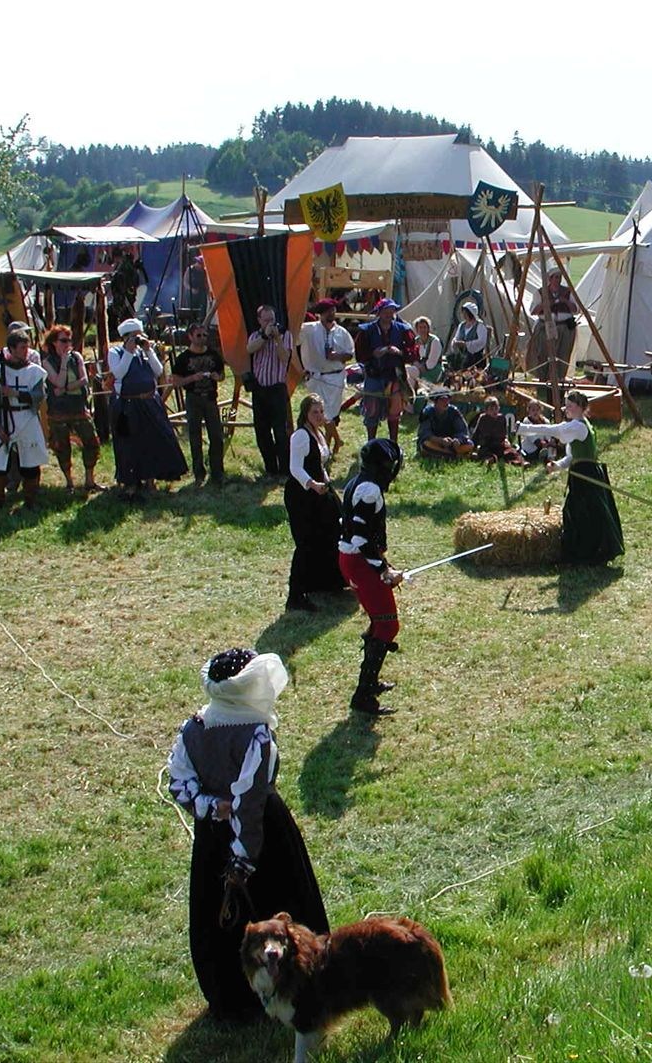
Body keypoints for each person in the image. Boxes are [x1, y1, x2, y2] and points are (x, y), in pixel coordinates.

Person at [167, 648, 329, 1020]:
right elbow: (250, 801)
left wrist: (210, 806)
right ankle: (296, 983)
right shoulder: (256, 734)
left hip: (213, 839)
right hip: (264, 837)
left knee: (218, 914)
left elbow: (180, 784)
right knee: (278, 898)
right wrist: (242, 860)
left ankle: (231, 993)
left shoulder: (193, 728)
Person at [338, 438, 406, 713]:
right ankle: (363, 696)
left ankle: (370, 682)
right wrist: (383, 570)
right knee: (388, 626)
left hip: (353, 560)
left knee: (379, 622)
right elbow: (360, 537)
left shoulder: (358, 482)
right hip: (360, 562)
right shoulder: (369, 490)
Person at [517, 390, 625, 564]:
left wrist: (524, 428)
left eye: (570, 405)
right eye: (566, 405)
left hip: (586, 475)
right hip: (581, 474)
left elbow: (555, 430)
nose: (566, 408)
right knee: (578, 512)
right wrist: (557, 466)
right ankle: (581, 553)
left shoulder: (579, 426)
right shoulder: (577, 426)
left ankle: (585, 555)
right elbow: (572, 457)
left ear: (581, 407)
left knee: (583, 513)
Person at [109, 318, 187, 498]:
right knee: (129, 444)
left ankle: (151, 479)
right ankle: (131, 481)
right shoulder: (116, 352)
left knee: (153, 440)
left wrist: (148, 351)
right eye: (134, 336)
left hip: (150, 402)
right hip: (128, 404)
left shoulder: (144, 352)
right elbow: (119, 373)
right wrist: (128, 352)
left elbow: (158, 371)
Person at [283, 395, 346, 613]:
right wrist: (312, 484)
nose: (319, 416)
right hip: (301, 496)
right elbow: (295, 468)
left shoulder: (318, 433)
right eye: (314, 412)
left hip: (319, 491)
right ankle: (295, 596)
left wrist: (326, 484)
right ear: (305, 414)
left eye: (321, 412)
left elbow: (320, 464)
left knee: (331, 532)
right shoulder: (301, 436)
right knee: (306, 543)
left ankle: (325, 582)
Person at [0, 329, 50, 510]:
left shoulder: (35, 372)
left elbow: (38, 396)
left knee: (30, 462)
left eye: (27, 347)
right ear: (12, 349)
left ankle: (30, 500)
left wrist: (15, 394)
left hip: (27, 418)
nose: (26, 351)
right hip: (5, 418)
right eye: (22, 347)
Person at [40, 326, 103, 494]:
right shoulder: (47, 362)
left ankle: (90, 480)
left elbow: (83, 380)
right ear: (54, 342)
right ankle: (69, 483)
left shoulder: (76, 357)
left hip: (78, 407)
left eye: (69, 340)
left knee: (91, 442)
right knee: (62, 447)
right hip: (58, 411)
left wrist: (65, 388)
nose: (67, 344)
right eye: (63, 341)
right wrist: (63, 363)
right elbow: (57, 382)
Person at [170, 322, 227, 486]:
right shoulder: (183, 358)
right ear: (190, 337)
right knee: (195, 437)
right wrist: (192, 378)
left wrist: (217, 377)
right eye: (199, 335)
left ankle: (217, 472)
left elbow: (222, 374)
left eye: (204, 335)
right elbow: (175, 381)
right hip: (193, 398)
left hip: (210, 398)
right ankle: (198, 473)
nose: (202, 338)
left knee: (216, 436)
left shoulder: (213, 354)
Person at [355, 299, 416, 441]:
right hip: (374, 374)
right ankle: (371, 443)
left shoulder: (403, 329)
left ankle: (393, 444)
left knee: (394, 412)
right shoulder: (367, 330)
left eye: (392, 311)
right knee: (372, 411)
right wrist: (374, 353)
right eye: (386, 311)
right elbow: (360, 354)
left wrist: (400, 352)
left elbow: (413, 352)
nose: (389, 314)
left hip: (395, 376)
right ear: (379, 313)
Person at [297, 299, 353, 453]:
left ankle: (329, 444)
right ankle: (334, 442)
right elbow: (292, 338)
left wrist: (336, 356)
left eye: (333, 311)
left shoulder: (342, 333)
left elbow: (350, 354)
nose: (331, 314)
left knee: (330, 414)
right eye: (328, 312)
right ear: (320, 314)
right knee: (322, 414)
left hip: (335, 378)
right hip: (316, 378)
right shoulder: (308, 329)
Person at [245, 305, 294, 479]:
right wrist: (265, 336)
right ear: (259, 321)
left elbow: (285, 358)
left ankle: (284, 468)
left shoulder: (286, 335)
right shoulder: (255, 336)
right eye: (266, 320)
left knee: (280, 431)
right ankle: (270, 468)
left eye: (272, 319)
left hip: (277, 389)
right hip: (260, 390)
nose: (270, 323)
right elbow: (250, 349)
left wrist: (277, 338)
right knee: (262, 431)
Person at [529, 266, 578, 375]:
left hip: (564, 327)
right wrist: (545, 304)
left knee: (563, 354)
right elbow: (533, 311)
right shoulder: (540, 292)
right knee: (543, 353)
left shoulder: (568, 292)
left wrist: (565, 301)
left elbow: (576, 309)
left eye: (559, 277)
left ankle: (559, 378)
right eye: (555, 277)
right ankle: (543, 377)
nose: (557, 280)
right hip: (546, 326)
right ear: (550, 279)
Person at [417, 388, 475, 459]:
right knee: (426, 444)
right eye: (442, 400)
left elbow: (462, 430)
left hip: (451, 443)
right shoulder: (427, 412)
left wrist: (458, 440)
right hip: (435, 442)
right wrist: (440, 440)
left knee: (470, 444)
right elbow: (424, 433)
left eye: (447, 399)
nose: (446, 402)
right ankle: (455, 455)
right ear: (435, 401)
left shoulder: (454, 411)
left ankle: (445, 454)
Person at [471, 395, 526, 466]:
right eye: (491, 409)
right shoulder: (483, 419)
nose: (494, 411)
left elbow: (504, 433)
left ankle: (521, 462)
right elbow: (476, 434)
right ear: (486, 410)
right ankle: (489, 460)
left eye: (496, 408)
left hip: (500, 444)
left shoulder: (502, 418)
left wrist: (506, 440)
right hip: (487, 444)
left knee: (511, 452)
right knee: (485, 453)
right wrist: (473, 447)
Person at [449, 302, 489, 371]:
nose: (463, 315)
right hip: (463, 358)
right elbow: (456, 337)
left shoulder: (480, 326)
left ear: (471, 313)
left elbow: (481, 341)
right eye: (463, 313)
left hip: (476, 359)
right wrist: (455, 342)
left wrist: (466, 344)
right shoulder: (462, 325)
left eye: (465, 313)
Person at [410, 315, 446, 386]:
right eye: (420, 327)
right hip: (419, 367)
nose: (422, 330)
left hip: (433, 369)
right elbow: (413, 356)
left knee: (416, 378)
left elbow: (432, 361)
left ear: (428, 328)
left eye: (424, 327)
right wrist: (416, 364)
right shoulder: (415, 341)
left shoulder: (434, 341)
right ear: (417, 329)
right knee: (409, 374)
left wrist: (422, 367)